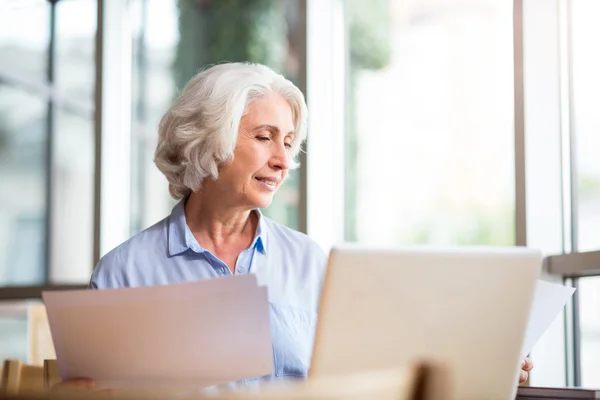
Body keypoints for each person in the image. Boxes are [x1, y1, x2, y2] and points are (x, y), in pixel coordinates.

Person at [73, 62, 533, 389]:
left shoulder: (310, 261)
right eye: (264, 137)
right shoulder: (124, 272)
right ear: (207, 137)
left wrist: (481, 366)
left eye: (289, 142)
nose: (283, 160)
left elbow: (367, 375)